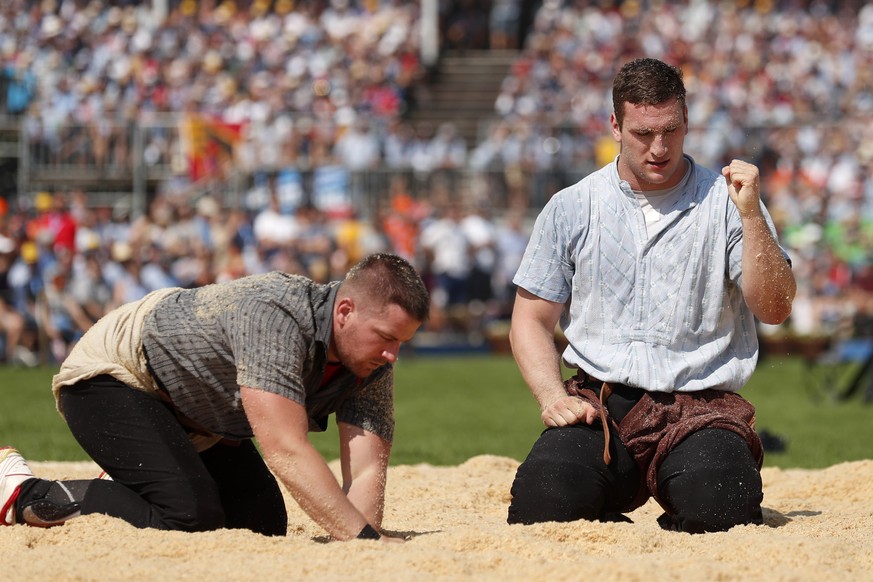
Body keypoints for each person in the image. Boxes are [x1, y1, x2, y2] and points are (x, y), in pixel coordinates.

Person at [505, 58, 796, 533]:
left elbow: (776, 308)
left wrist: (752, 219)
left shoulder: (731, 202)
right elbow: (530, 320)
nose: (659, 148)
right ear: (616, 126)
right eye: (643, 133)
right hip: (601, 400)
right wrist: (550, 395)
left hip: (701, 407)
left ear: (686, 122)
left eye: (671, 131)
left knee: (722, 503)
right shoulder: (573, 205)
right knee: (543, 502)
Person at [1, 253, 430, 542]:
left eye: (402, 342)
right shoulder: (277, 315)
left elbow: (368, 464)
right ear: (345, 311)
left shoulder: (372, 362)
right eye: (387, 338)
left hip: (197, 411)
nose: (393, 355)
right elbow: (285, 450)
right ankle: (22, 492)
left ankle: (137, 477)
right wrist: (361, 540)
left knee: (261, 525)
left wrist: (365, 541)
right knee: (189, 516)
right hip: (116, 374)